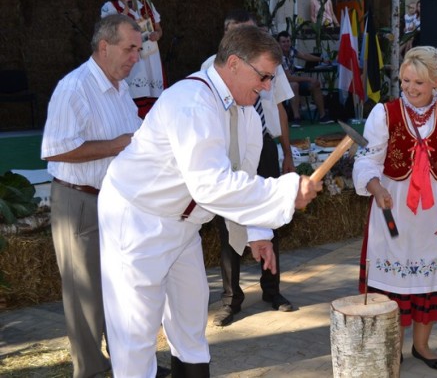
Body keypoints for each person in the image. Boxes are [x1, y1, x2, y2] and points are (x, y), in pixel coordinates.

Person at [98, 25, 322, 377]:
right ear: (234, 63)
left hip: (184, 224)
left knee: (190, 312)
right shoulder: (192, 103)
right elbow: (211, 185)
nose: (267, 87)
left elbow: (244, 175)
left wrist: (258, 231)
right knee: (135, 331)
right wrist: (288, 190)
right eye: (263, 77)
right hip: (137, 220)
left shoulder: (244, 109)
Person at [353, 46, 437, 370]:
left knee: (430, 282)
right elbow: (366, 159)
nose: (410, 89)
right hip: (392, 210)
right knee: (391, 285)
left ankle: (422, 346)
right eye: (405, 81)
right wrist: (376, 186)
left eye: (419, 84)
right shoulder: (384, 113)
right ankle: (391, 346)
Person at [40, 14, 143, 378]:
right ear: (104, 46)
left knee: (119, 290)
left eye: (139, 49)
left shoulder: (120, 87)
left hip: (115, 201)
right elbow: (55, 149)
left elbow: (133, 134)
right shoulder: (75, 88)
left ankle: (128, 366)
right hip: (79, 202)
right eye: (129, 48)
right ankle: (91, 372)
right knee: (85, 298)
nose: (136, 57)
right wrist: (116, 146)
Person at [200, 10, 297, 327]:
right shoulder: (209, 71)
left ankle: (272, 291)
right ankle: (231, 298)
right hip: (229, 147)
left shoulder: (270, 64)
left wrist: (286, 152)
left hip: (264, 144)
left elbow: (279, 107)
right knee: (229, 222)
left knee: (267, 214)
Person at [101, 0, 166, 102]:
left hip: (150, 57)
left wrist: (157, 34)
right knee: (133, 96)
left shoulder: (146, 6)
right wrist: (125, 6)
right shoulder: (110, 7)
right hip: (130, 58)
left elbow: (158, 28)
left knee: (153, 97)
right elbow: (112, 29)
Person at [276, 30, 332, 126]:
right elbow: (288, 78)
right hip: (279, 84)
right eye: (283, 42)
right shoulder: (278, 56)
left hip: (292, 81)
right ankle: (296, 117)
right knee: (294, 85)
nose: (286, 44)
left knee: (315, 84)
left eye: (288, 41)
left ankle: (323, 116)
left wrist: (322, 59)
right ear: (278, 43)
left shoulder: (292, 51)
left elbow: (305, 56)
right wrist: (308, 78)